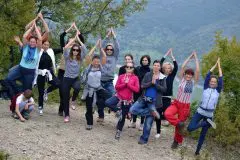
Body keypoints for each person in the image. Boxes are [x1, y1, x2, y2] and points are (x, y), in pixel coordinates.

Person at [187, 58, 223, 155]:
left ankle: (197, 152)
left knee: (203, 135)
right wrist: (215, 65)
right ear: (209, 82)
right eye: (211, 81)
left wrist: (219, 66)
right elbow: (207, 75)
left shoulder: (218, 91)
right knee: (190, 128)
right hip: (200, 111)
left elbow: (221, 77)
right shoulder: (205, 87)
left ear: (217, 84)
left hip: (209, 114)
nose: (212, 83)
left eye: (214, 82)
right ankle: (206, 123)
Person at [164, 51, 200, 149]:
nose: (188, 76)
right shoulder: (181, 79)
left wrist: (196, 58)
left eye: (190, 75)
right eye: (187, 74)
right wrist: (190, 56)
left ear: (192, 76)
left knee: (178, 127)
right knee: (168, 114)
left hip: (185, 106)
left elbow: (197, 71)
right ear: (184, 75)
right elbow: (183, 66)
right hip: (176, 103)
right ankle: (180, 124)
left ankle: (176, 141)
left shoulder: (194, 83)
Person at [129, 60, 167, 144]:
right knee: (132, 109)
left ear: (160, 67)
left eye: (158, 65)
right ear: (153, 66)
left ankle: (144, 139)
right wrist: (151, 82)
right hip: (144, 98)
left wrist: (155, 84)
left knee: (148, 123)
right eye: (155, 65)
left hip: (154, 102)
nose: (156, 67)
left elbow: (164, 90)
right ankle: (151, 113)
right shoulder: (148, 74)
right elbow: (142, 85)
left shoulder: (162, 77)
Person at [5, 22, 42, 99]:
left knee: (27, 90)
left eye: (34, 42)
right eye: (31, 42)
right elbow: (25, 36)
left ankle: (25, 104)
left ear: (36, 43)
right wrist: (31, 28)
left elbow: (40, 38)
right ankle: (18, 92)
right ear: (29, 42)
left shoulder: (38, 50)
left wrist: (36, 29)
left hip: (29, 72)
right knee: (9, 78)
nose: (32, 43)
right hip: (20, 69)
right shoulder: (25, 47)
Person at [105, 62, 139, 139]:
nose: (129, 69)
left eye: (131, 67)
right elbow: (117, 87)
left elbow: (137, 89)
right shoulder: (121, 76)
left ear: (133, 69)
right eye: (127, 67)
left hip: (127, 101)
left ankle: (118, 132)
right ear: (125, 68)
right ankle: (118, 111)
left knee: (122, 117)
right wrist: (124, 84)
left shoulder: (135, 78)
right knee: (107, 102)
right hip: (118, 97)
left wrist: (128, 84)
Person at [82, 39, 110, 130]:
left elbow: (105, 57)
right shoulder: (88, 68)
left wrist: (101, 48)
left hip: (98, 88)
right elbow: (89, 55)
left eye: (98, 61)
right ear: (92, 61)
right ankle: (89, 123)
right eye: (95, 61)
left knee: (109, 96)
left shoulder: (100, 68)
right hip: (89, 89)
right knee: (89, 107)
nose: (97, 63)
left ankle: (117, 109)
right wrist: (95, 46)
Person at [58, 22, 85, 112]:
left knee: (72, 89)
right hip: (63, 73)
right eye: (70, 40)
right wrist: (70, 28)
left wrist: (76, 30)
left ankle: (68, 105)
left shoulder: (76, 51)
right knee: (63, 93)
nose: (72, 41)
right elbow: (61, 36)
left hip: (72, 75)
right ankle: (61, 110)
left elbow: (81, 39)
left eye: (73, 41)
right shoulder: (65, 49)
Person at [61, 33, 87, 122]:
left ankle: (73, 99)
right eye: (74, 50)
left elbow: (85, 49)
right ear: (72, 50)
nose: (75, 51)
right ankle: (67, 115)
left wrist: (78, 40)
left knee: (77, 87)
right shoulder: (68, 57)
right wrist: (72, 40)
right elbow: (65, 48)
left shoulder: (80, 58)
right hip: (66, 79)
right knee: (65, 97)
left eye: (77, 50)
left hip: (75, 79)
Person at [155, 48, 178, 139]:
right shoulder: (161, 75)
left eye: (169, 68)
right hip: (160, 97)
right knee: (158, 115)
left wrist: (172, 57)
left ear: (171, 69)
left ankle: (167, 122)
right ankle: (158, 131)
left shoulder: (171, 76)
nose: (167, 69)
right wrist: (165, 55)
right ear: (163, 68)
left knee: (166, 114)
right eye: (166, 68)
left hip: (167, 98)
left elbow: (176, 67)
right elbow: (160, 63)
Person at [33, 40, 61, 115]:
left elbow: (62, 48)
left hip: (49, 73)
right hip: (40, 73)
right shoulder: (38, 51)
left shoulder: (51, 51)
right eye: (44, 44)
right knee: (40, 92)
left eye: (47, 45)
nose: (46, 46)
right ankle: (40, 107)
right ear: (42, 45)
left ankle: (47, 91)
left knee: (58, 84)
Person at [100, 27, 120, 122]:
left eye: (111, 49)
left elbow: (117, 47)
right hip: (100, 81)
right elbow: (102, 45)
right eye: (107, 49)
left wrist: (114, 36)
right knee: (99, 99)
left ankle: (115, 110)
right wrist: (107, 36)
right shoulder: (102, 55)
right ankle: (101, 116)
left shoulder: (115, 57)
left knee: (113, 96)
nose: (109, 50)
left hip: (109, 82)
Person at [128, 55, 151, 130]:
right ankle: (134, 122)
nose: (144, 62)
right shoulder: (137, 68)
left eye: (146, 60)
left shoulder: (150, 71)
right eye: (143, 60)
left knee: (143, 106)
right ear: (141, 61)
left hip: (145, 91)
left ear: (148, 61)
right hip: (136, 90)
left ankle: (141, 124)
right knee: (135, 105)